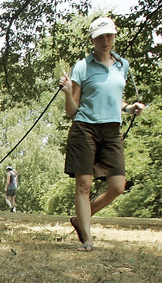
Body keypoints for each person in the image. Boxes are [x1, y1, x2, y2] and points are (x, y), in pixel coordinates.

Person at [59, 16, 145, 252]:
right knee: (83, 185)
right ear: (92, 40)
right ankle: (87, 238)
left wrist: (129, 108)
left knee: (118, 186)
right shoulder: (83, 66)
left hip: (112, 130)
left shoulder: (122, 65)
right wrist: (67, 92)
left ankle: (80, 219)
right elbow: (72, 110)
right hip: (84, 127)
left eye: (108, 35)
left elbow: (114, 99)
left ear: (114, 36)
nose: (104, 41)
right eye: (99, 37)